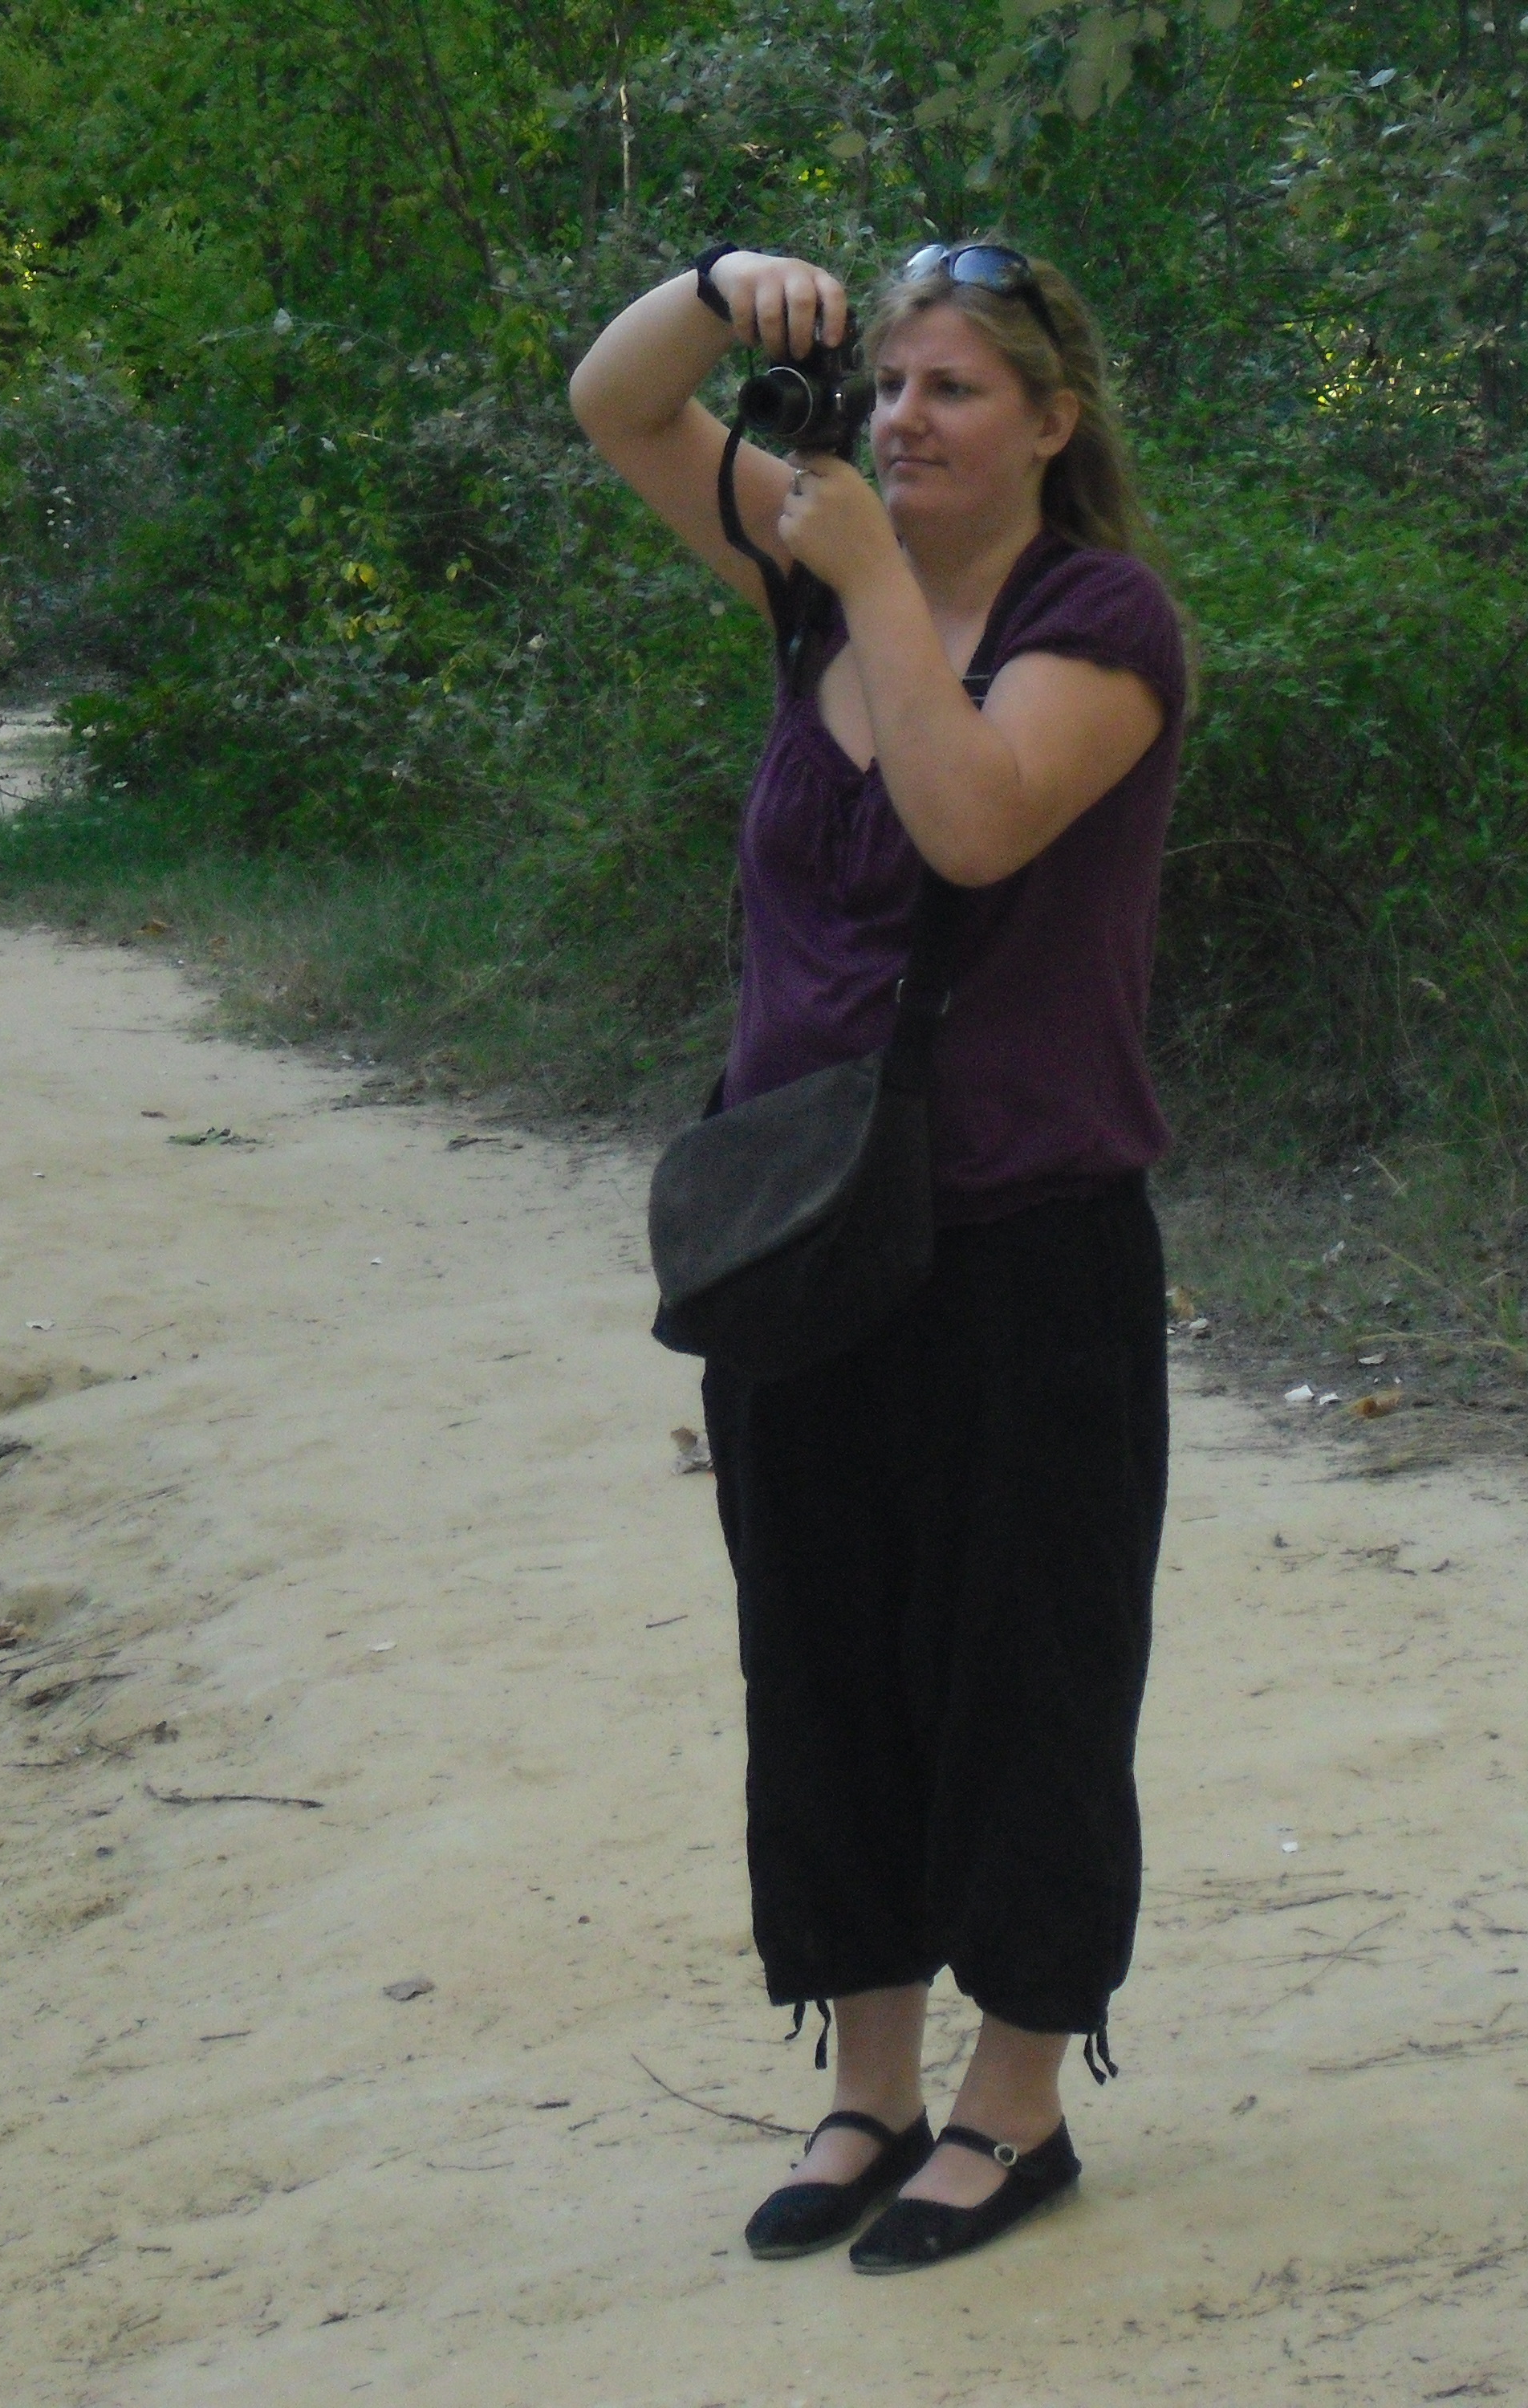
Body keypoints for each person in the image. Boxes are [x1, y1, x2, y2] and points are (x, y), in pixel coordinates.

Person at [570, 239, 1185, 2273]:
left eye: (954, 391)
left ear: (1050, 425)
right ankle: (867, 2088)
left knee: (1024, 1666)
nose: (906, 422)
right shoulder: (814, 565)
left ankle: (1013, 2108)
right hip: (802, 1226)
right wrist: (719, 288)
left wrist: (864, 582)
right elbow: (614, 404)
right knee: (820, 1661)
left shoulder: (1099, 623)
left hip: (1024, 1237)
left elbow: (974, 824)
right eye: (892, 385)